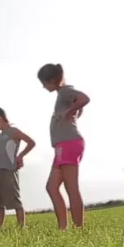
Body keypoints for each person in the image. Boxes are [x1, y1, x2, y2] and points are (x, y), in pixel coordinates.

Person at [37, 63, 90, 230]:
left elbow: (84, 98)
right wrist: (74, 111)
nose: (43, 86)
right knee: (51, 187)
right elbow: (77, 103)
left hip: (69, 143)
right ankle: (62, 228)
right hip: (63, 145)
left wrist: (68, 112)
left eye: (44, 83)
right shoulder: (63, 93)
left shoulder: (65, 91)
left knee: (71, 187)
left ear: (52, 81)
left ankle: (78, 229)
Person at [0, 106, 36, 228]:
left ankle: (21, 227)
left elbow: (31, 142)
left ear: (0, 118)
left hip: (8, 170)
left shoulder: (13, 131)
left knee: (15, 200)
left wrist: (20, 156)